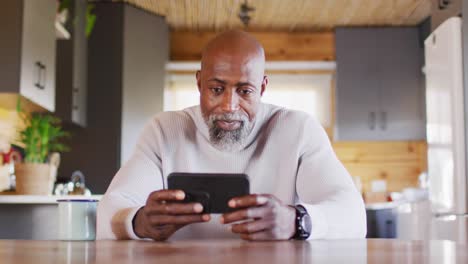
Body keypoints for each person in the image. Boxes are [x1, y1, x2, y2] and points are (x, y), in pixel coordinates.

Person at [97, 30, 366, 241]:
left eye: (245, 91)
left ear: (262, 87)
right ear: (199, 83)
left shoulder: (298, 129)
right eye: (216, 89)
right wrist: (139, 221)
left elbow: (354, 216)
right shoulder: (164, 130)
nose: (229, 106)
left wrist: (296, 221)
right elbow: (109, 210)